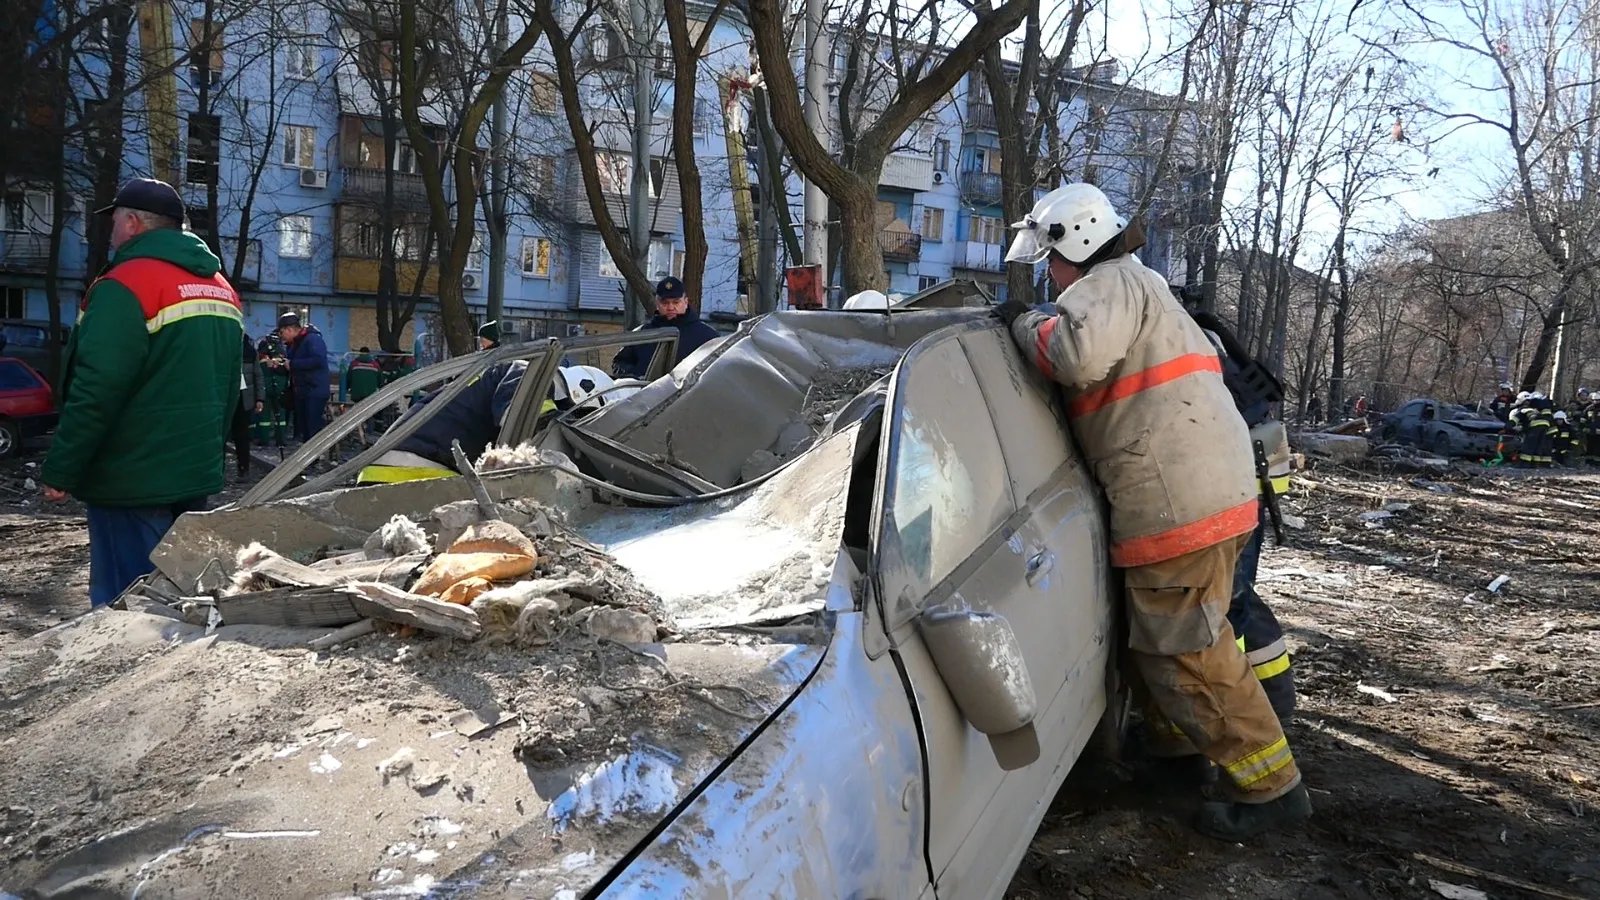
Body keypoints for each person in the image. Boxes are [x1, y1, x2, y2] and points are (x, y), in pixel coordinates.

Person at [995, 183, 1309, 842]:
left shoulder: (1106, 285)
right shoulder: (1144, 285)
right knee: (1160, 644)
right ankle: (1176, 758)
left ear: (1076, 244)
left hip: (1176, 503)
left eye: (1051, 262)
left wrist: (1023, 324)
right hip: (1203, 491)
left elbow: (1072, 356)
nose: (1050, 276)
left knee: (1189, 652)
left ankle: (1272, 790)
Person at [40, 178, 243, 606]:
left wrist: (62, 469)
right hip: (193, 472)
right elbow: (228, 389)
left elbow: (97, 387)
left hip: (131, 476)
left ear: (132, 223)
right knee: (176, 603)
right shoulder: (222, 289)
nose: (111, 232)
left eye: (114, 221)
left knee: (126, 605)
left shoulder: (126, 284)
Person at [355, 364, 613, 484]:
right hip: (416, 471)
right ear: (581, 395)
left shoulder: (498, 374)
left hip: (391, 468)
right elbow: (531, 425)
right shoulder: (527, 373)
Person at [611, 277, 720, 379]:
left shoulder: (708, 337)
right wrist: (636, 377)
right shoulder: (642, 334)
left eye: (676, 302)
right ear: (657, 303)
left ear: (686, 302)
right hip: (645, 391)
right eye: (665, 303)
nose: (671, 307)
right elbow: (619, 364)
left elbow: (717, 371)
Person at [270, 312, 330, 442]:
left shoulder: (312, 339)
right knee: (304, 429)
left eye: (282, 332)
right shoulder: (295, 344)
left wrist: (293, 364)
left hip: (314, 390)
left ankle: (314, 453)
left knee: (312, 429)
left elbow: (318, 360)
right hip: (302, 391)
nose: (281, 336)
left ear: (289, 329)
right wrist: (281, 365)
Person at [254, 331, 291, 450]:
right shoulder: (282, 355)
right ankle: (281, 440)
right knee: (280, 415)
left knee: (264, 415)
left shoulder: (261, 356)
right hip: (280, 388)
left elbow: (257, 373)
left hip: (265, 388)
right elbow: (287, 372)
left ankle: (264, 439)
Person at [231, 332, 257, 477]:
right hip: (229, 396)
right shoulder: (225, 350)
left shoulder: (250, 352)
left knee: (242, 435)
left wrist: (260, 398)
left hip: (243, 399)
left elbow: (257, 375)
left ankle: (243, 468)